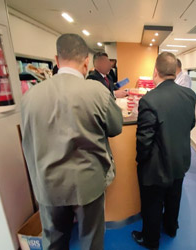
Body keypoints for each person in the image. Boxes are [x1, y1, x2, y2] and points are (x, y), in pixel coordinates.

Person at [21, 34, 123, 250]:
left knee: (54, 243)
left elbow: (28, 142)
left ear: (57, 60)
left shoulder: (30, 97)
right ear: (86, 61)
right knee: (90, 241)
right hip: (88, 185)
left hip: (48, 185)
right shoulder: (97, 92)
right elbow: (115, 127)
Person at [132, 52, 196, 249]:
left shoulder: (150, 100)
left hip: (156, 165)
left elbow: (145, 140)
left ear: (155, 72)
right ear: (175, 71)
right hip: (181, 159)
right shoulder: (189, 95)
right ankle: (171, 227)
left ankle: (150, 240)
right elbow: (191, 123)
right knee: (174, 196)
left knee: (152, 202)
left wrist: (140, 161)